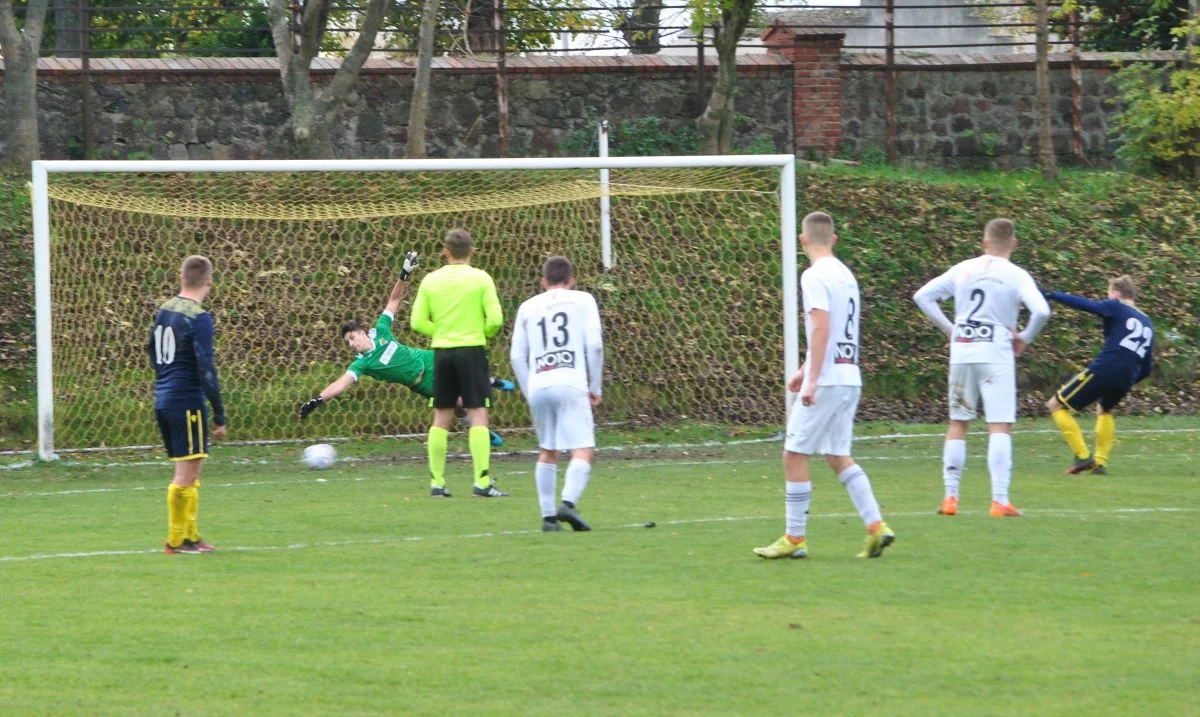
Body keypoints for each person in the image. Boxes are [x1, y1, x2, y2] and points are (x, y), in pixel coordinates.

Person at [754, 212, 895, 560]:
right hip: (849, 376)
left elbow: (821, 327)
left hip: (829, 379)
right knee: (837, 455)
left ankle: (794, 538)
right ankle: (877, 527)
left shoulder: (813, 275)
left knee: (793, 454)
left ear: (803, 241)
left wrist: (812, 378)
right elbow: (835, 331)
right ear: (833, 239)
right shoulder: (846, 275)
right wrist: (805, 369)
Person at [297, 251, 513, 463]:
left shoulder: (381, 330)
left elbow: (394, 300)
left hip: (427, 359)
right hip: (422, 383)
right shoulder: (362, 363)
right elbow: (340, 384)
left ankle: (491, 383)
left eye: (352, 337)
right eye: (348, 342)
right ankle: (481, 428)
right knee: (458, 405)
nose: (352, 344)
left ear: (363, 332)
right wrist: (317, 400)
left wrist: (404, 274)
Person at [913, 218, 1051, 518]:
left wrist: (950, 329)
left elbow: (922, 296)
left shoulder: (964, 268)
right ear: (1013, 244)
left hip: (963, 350)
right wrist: (1025, 338)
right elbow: (1041, 311)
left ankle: (950, 497)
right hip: (995, 351)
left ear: (984, 242)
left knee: (958, 422)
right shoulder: (1016, 275)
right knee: (999, 424)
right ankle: (999, 500)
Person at [510, 256, 604, 532]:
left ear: (543, 282)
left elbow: (516, 356)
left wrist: (530, 392)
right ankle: (568, 504)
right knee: (583, 448)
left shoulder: (527, 307)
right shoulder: (583, 300)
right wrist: (595, 387)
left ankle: (548, 518)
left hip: (539, 384)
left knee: (548, 450)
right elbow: (595, 346)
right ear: (572, 280)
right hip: (571, 381)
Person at [411, 229, 506, 497]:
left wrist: (441, 332)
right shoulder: (481, 278)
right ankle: (482, 482)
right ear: (472, 251)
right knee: (478, 414)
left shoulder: (431, 280)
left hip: (442, 352)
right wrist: (482, 332)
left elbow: (416, 322)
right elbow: (496, 320)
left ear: (446, 252)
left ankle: (437, 483)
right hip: (471, 350)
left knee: (441, 416)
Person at [149, 255, 226, 555]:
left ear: (180, 277)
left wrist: (165, 381)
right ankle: (176, 540)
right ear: (209, 281)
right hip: (186, 401)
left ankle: (191, 536)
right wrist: (219, 412)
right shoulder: (199, 317)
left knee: (191, 471)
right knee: (185, 475)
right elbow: (206, 367)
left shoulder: (165, 311)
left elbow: (151, 352)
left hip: (164, 398)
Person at [1043, 276, 1153, 475]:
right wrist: (1128, 379)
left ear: (1115, 294)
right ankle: (1100, 462)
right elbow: (1146, 368)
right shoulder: (1147, 322)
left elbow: (1088, 306)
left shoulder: (1117, 306)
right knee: (1104, 410)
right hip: (1126, 377)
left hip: (1106, 368)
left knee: (1055, 405)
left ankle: (1083, 456)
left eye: (1108, 294)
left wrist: (1053, 295)